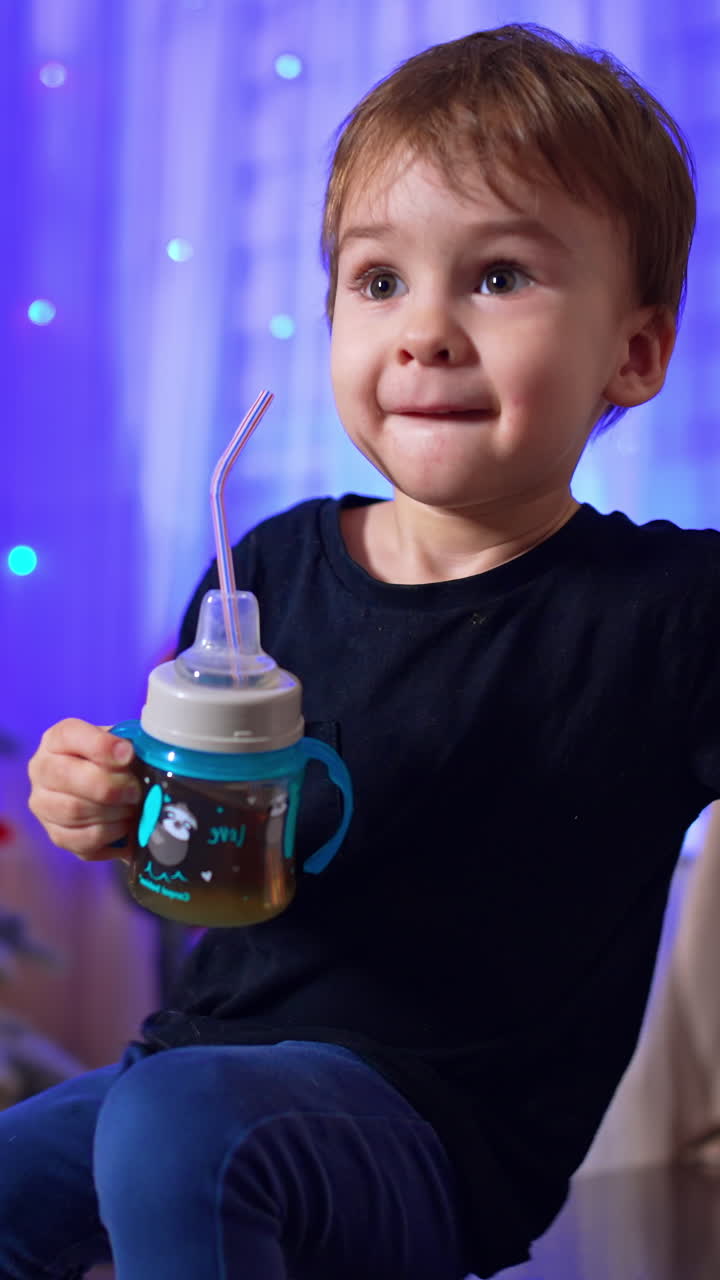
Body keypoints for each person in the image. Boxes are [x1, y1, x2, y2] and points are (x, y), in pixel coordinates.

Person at [7, 20, 706, 1280]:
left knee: (176, 1133)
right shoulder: (260, 568)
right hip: (196, 1063)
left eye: (498, 276)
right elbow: (186, 863)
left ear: (637, 350)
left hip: (435, 1132)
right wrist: (111, 811)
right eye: (381, 281)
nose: (426, 329)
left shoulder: (668, 613)